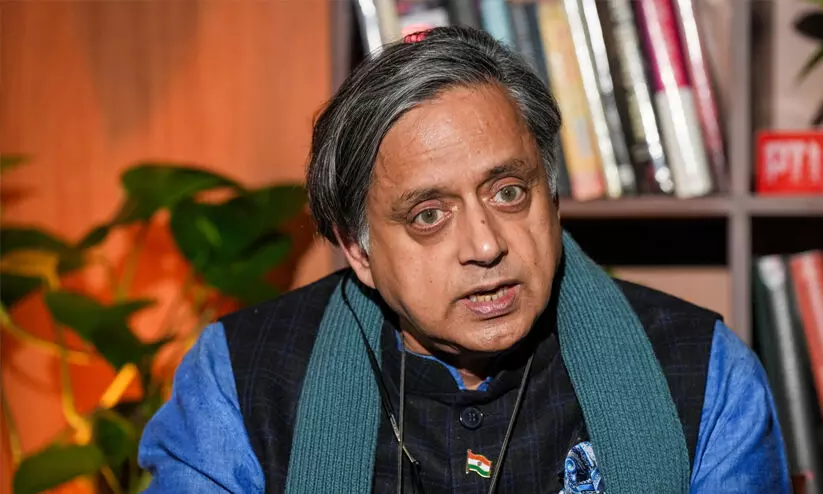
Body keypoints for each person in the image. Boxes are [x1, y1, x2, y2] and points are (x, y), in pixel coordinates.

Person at [138, 26, 789, 493]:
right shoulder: (242, 378)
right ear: (358, 249)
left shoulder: (702, 372)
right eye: (428, 215)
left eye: (508, 192)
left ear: (551, 193)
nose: (485, 245)